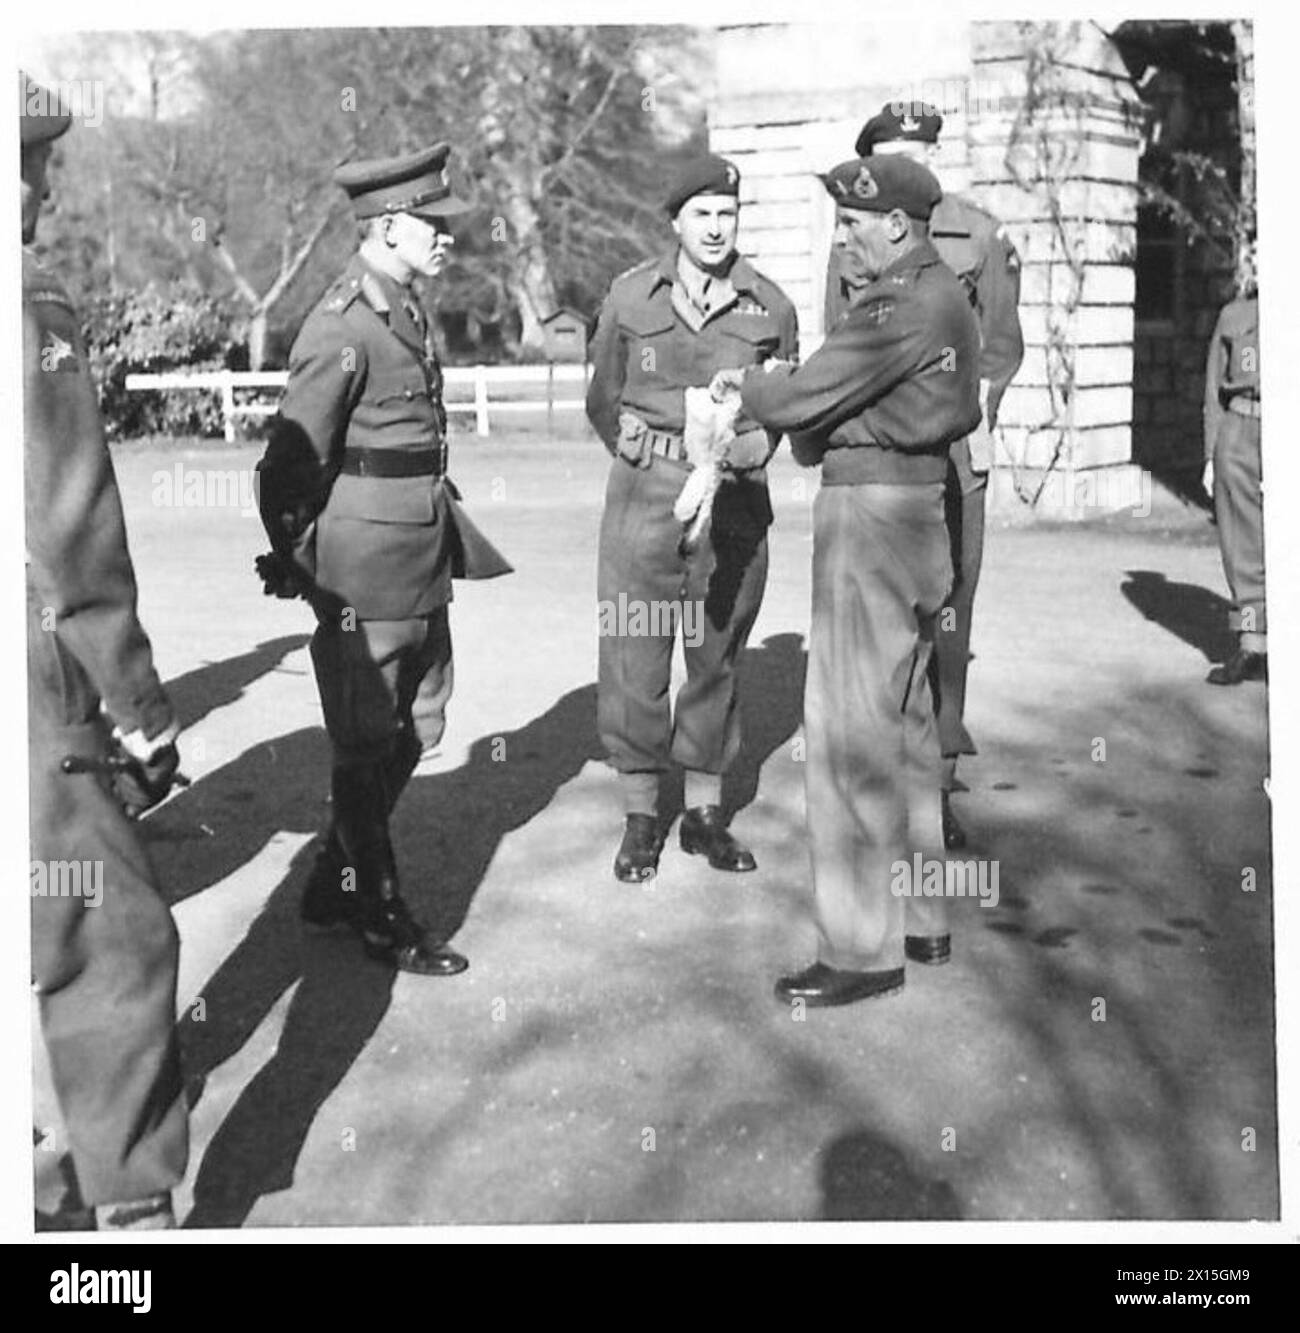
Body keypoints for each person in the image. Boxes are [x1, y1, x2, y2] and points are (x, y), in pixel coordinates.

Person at [257, 143, 511, 976]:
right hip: (365, 565)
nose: (447, 238)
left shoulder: (400, 305)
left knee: (422, 719)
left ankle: (335, 874)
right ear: (389, 226)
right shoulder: (343, 323)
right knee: (368, 741)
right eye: (433, 225)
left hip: (422, 546)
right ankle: (379, 907)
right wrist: (307, 564)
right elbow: (289, 467)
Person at [736, 154, 981, 1006]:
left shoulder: (894, 302)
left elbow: (798, 400)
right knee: (910, 728)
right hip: (921, 512)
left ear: (897, 227)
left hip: (870, 520)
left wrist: (754, 378)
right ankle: (926, 919)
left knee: (847, 734)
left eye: (851, 224)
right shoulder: (945, 292)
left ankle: (859, 950)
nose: (840, 240)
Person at [23, 72, 188, 1228]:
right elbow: (67, 525)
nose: (42, 181)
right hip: (30, 677)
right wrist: (138, 703)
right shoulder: (27, 311)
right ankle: (124, 1211)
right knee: (108, 940)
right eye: (30, 161)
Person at [585, 155, 798, 882]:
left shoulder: (769, 307)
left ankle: (704, 815)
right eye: (702, 214)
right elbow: (601, 399)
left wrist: (755, 441)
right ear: (676, 221)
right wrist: (639, 449)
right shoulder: (630, 296)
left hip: (733, 501)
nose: (716, 227)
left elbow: (787, 406)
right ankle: (641, 815)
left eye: (727, 214)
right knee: (634, 655)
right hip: (646, 497)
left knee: (716, 653)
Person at [827, 102, 1024, 849]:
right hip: (879, 459)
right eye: (895, 150)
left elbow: (1002, 343)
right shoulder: (853, 241)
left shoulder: (979, 233)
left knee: (947, 621)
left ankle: (936, 788)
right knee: (878, 623)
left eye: (923, 148)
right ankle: (878, 781)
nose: (915, 160)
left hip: (952, 457)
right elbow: (838, 348)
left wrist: (976, 413)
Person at [1203, 253, 1264, 685]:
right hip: (1240, 428)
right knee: (1239, 547)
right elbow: (1212, 390)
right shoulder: (1234, 315)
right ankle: (1250, 646)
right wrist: (1211, 455)